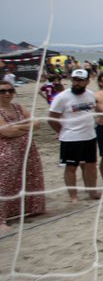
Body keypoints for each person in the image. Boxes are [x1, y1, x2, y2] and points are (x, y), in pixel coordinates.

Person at [0, 79, 47, 229]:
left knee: (31, 176)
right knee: (5, 182)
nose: (7, 93)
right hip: (7, 151)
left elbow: (38, 124)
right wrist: (27, 126)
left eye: (10, 90)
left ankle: (32, 209)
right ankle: (1, 219)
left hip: (27, 149)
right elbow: (7, 131)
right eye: (3, 91)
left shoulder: (18, 107)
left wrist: (18, 127)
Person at [48, 69, 99, 203]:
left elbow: (92, 111)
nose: (77, 83)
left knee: (90, 165)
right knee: (71, 167)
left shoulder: (90, 94)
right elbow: (52, 118)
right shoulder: (62, 97)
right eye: (75, 80)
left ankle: (92, 191)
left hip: (89, 136)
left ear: (87, 81)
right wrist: (62, 132)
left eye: (81, 80)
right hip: (71, 137)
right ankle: (73, 196)